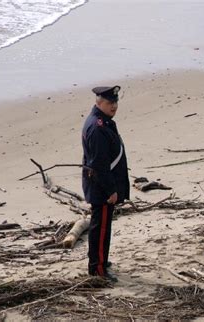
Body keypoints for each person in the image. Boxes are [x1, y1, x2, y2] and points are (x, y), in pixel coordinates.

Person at [82, 85, 130, 282]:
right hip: (101, 186)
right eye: (110, 103)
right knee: (100, 228)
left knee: (103, 227)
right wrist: (111, 190)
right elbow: (99, 165)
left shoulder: (105, 122)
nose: (114, 106)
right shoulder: (97, 127)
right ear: (98, 102)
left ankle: (100, 259)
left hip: (103, 183)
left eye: (116, 102)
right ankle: (97, 269)